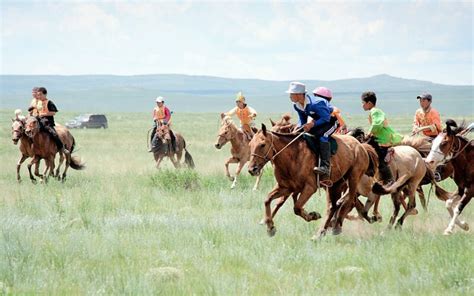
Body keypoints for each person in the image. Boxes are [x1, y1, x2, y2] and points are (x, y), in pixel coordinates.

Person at [287, 82, 338, 177]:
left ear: (298, 94)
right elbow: (302, 119)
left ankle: (325, 167)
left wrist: (312, 124)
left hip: (330, 122)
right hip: (317, 122)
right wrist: (299, 128)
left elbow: (326, 118)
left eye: (291, 94)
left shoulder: (316, 103)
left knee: (323, 136)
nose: (290, 96)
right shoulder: (297, 105)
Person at [361, 91, 403, 185]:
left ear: (369, 103)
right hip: (377, 138)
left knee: (379, 158)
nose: (362, 105)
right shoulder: (374, 111)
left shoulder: (375, 111)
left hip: (382, 140)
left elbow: (377, 124)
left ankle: (389, 179)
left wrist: (368, 133)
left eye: (363, 103)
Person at [28, 87, 68, 153]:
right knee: (28, 131)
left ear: (45, 94)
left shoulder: (49, 102)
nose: (39, 96)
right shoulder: (38, 102)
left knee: (54, 133)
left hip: (47, 122)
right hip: (38, 121)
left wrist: (43, 114)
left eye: (40, 94)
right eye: (38, 95)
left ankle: (61, 147)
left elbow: (53, 112)